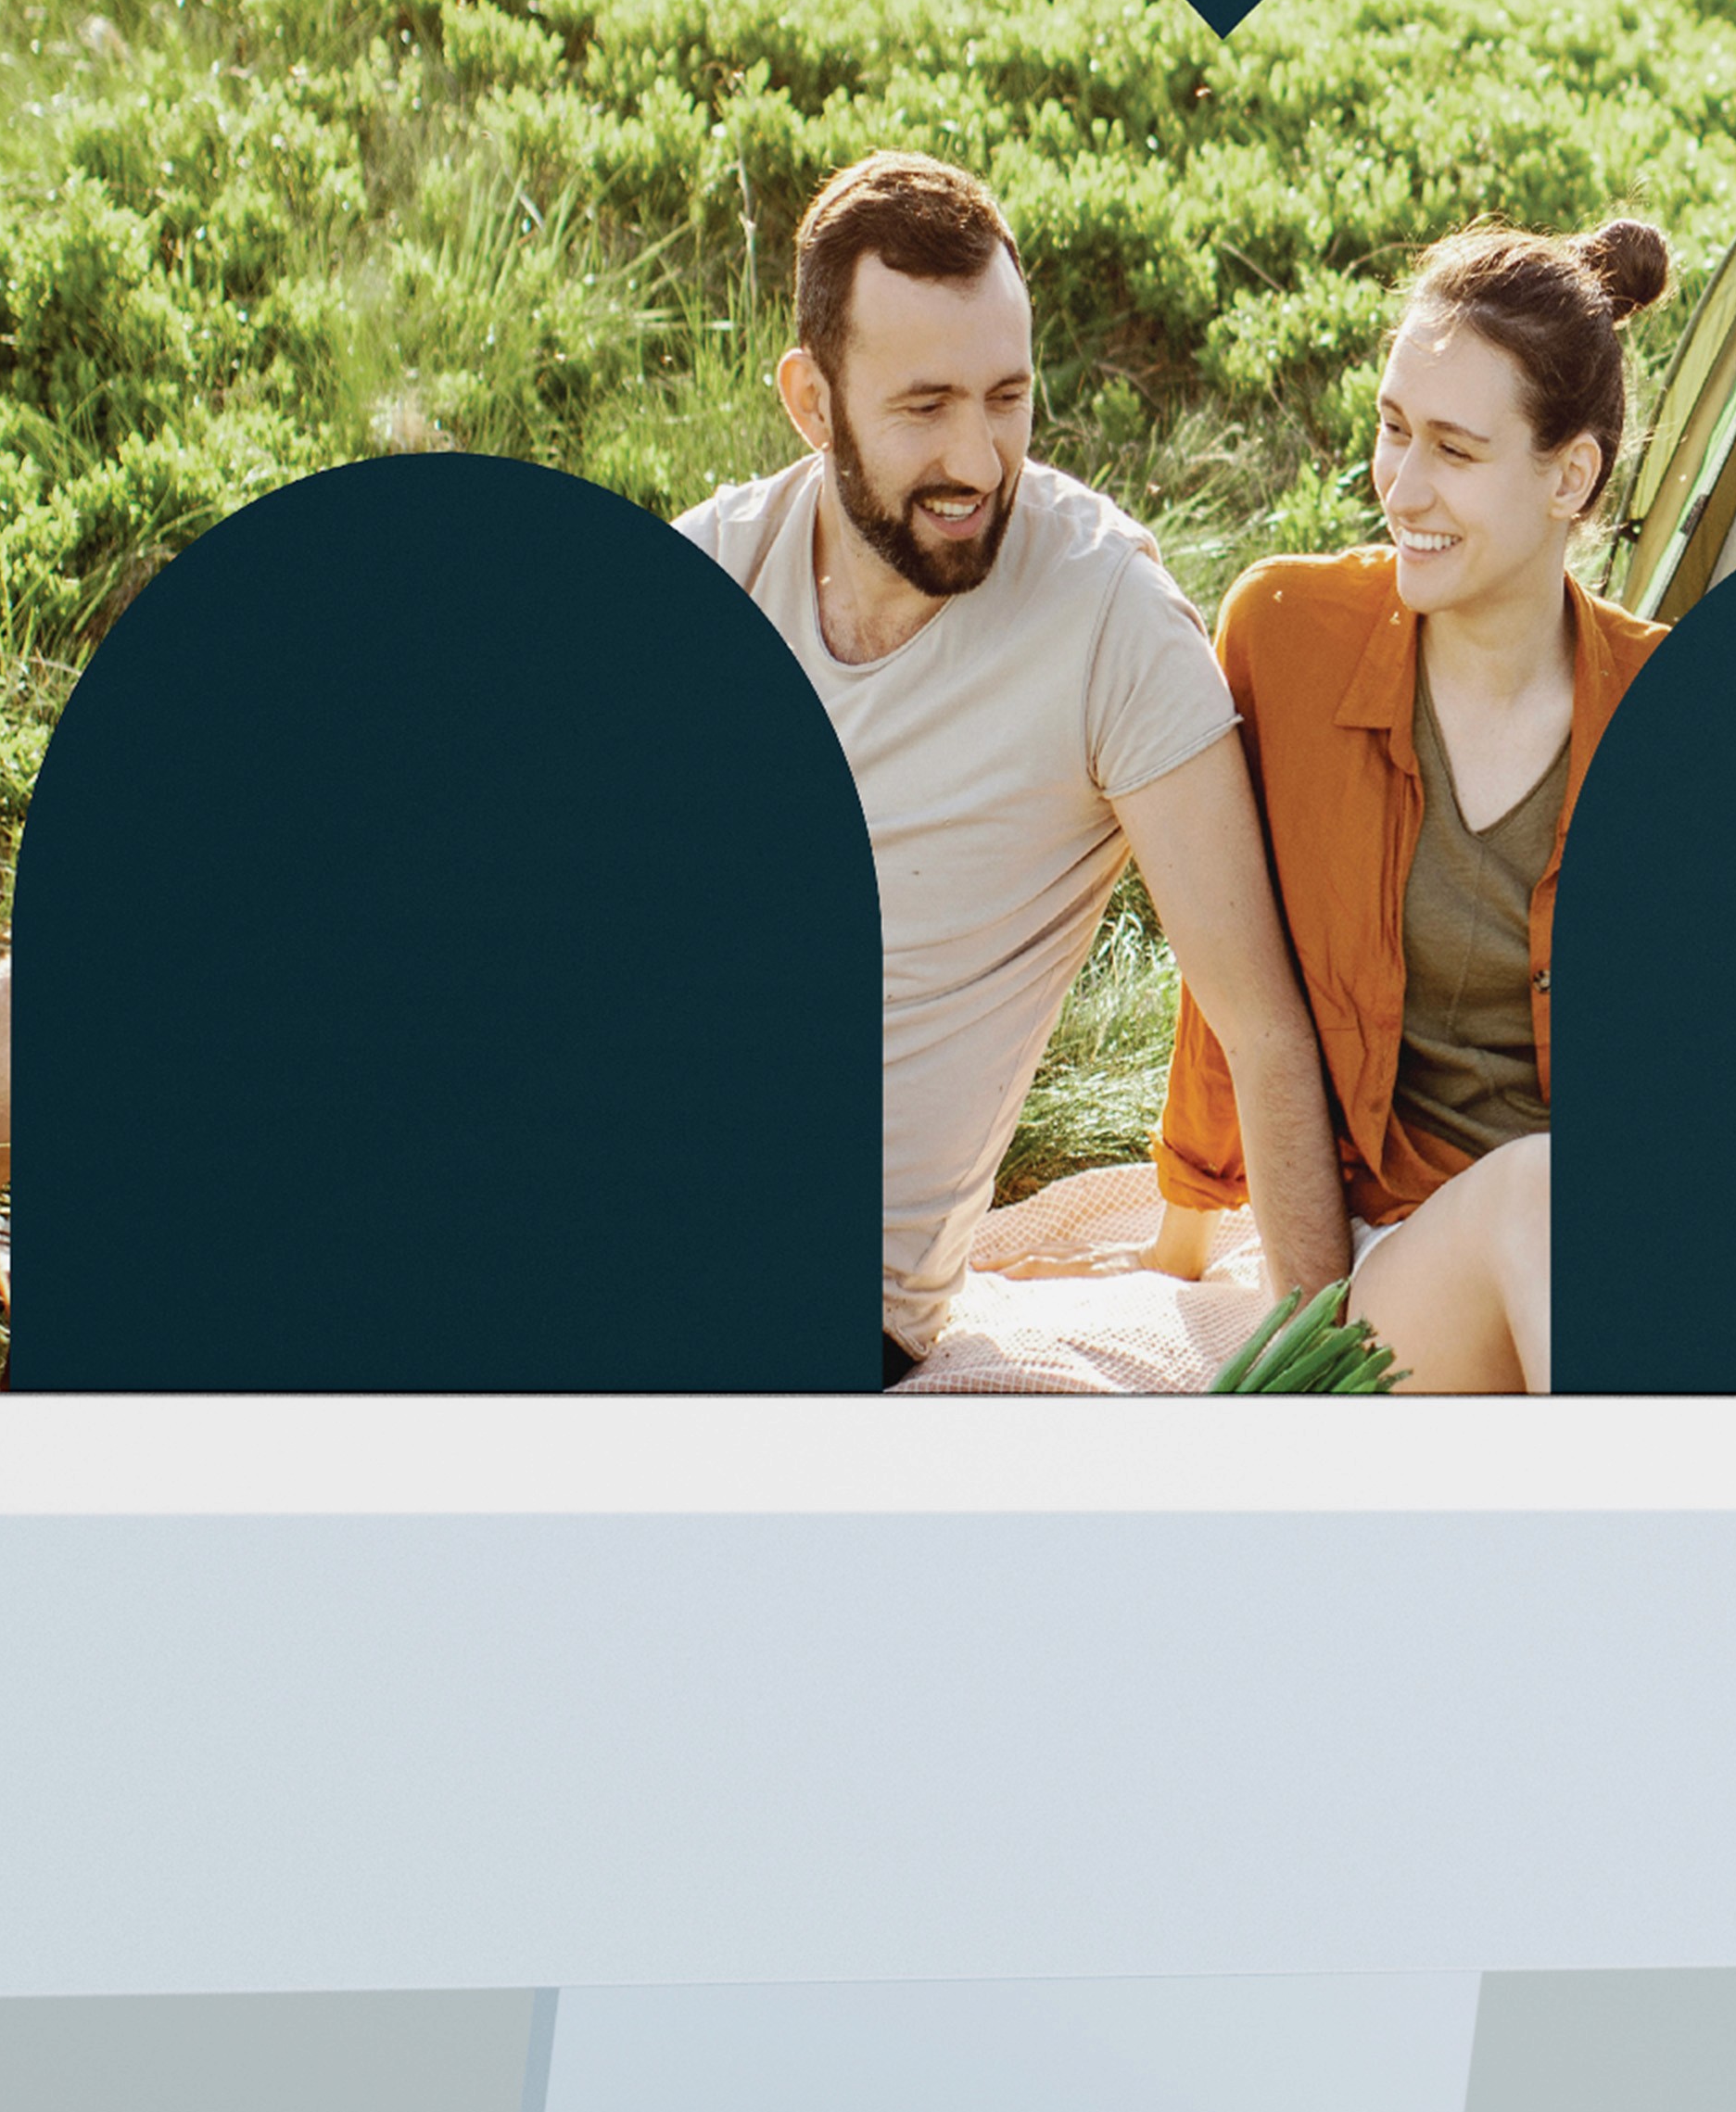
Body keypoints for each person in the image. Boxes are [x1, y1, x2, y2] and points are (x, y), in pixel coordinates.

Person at [674, 152, 1352, 1377]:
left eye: (1006, 397)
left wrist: (1322, 1389)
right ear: (812, 402)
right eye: (925, 405)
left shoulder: (1108, 618)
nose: (980, 460)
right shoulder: (719, 568)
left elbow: (1262, 1026)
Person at [1152, 214, 1679, 1395]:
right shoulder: (1285, 637)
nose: (1402, 485)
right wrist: (1182, 1240)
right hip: (1406, 1268)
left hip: (1622, 1272)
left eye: (1454, 448)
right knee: (1537, 1199)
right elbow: (1228, 989)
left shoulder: (1672, 707)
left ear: (1571, 474)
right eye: (1394, 430)